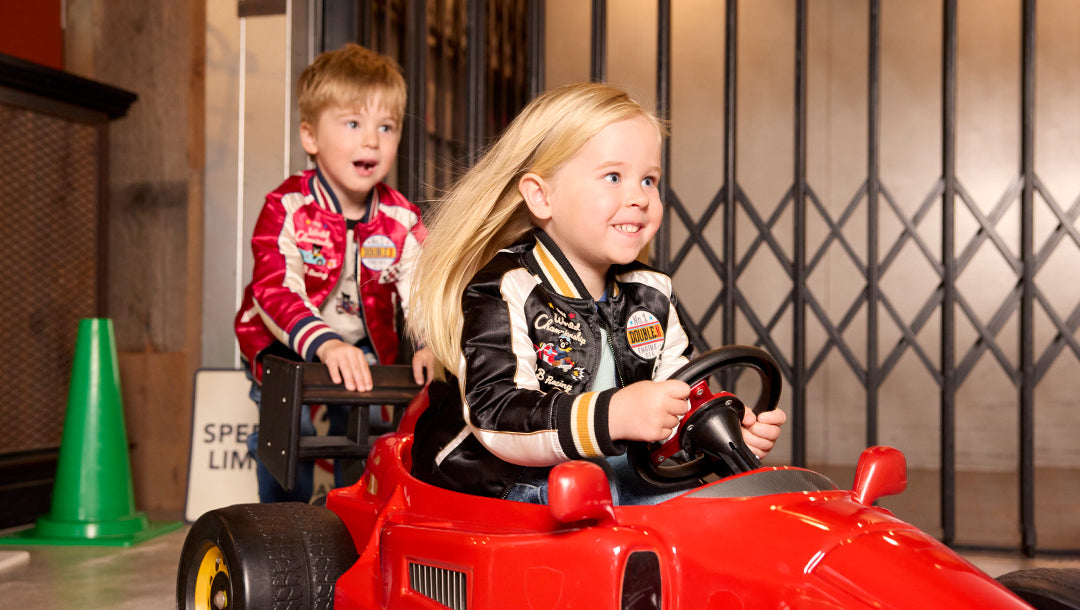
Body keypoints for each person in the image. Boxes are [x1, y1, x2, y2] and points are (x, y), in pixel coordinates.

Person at [407, 82, 786, 505]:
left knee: (710, 505)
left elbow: (678, 397)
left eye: (649, 180)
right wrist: (613, 415)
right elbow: (496, 415)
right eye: (613, 177)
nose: (639, 197)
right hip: (501, 480)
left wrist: (721, 436)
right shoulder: (508, 286)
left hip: (617, 470)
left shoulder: (651, 293)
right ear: (541, 196)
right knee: (588, 496)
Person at [235, 43, 435, 503]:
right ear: (310, 137)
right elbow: (273, 288)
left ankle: (353, 514)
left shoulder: (400, 218)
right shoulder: (287, 207)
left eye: (386, 127)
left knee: (373, 431)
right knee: (291, 435)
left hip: (360, 344)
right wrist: (323, 343)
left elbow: (423, 287)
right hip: (284, 343)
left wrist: (429, 342)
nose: (372, 141)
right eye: (353, 124)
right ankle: (285, 523)